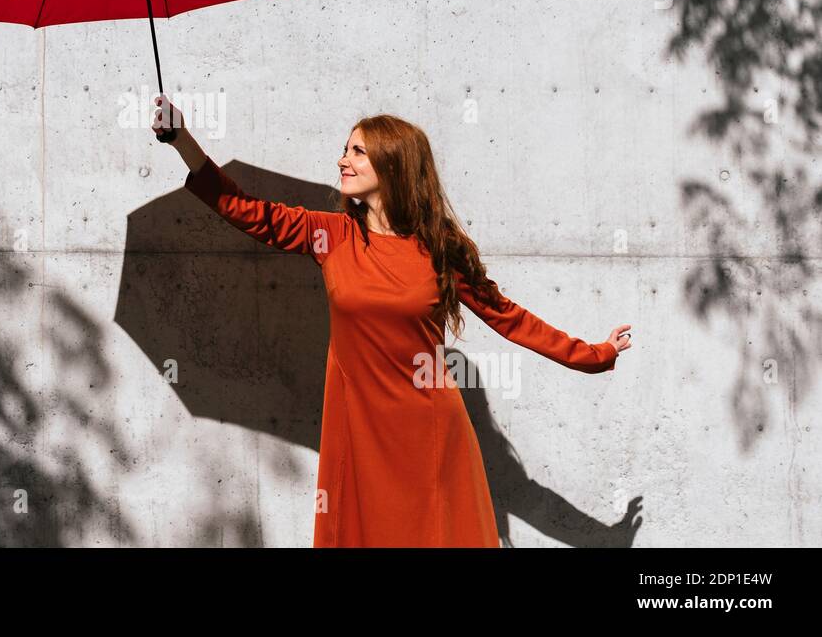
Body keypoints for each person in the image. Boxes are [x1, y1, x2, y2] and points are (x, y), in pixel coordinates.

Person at [151, 95, 633, 547]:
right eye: (344, 149)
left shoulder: (439, 249)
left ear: (392, 163)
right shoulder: (332, 235)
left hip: (431, 432)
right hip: (359, 436)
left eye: (358, 151)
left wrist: (595, 354)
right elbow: (249, 211)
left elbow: (509, 318)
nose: (343, 159)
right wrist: (183, 142)